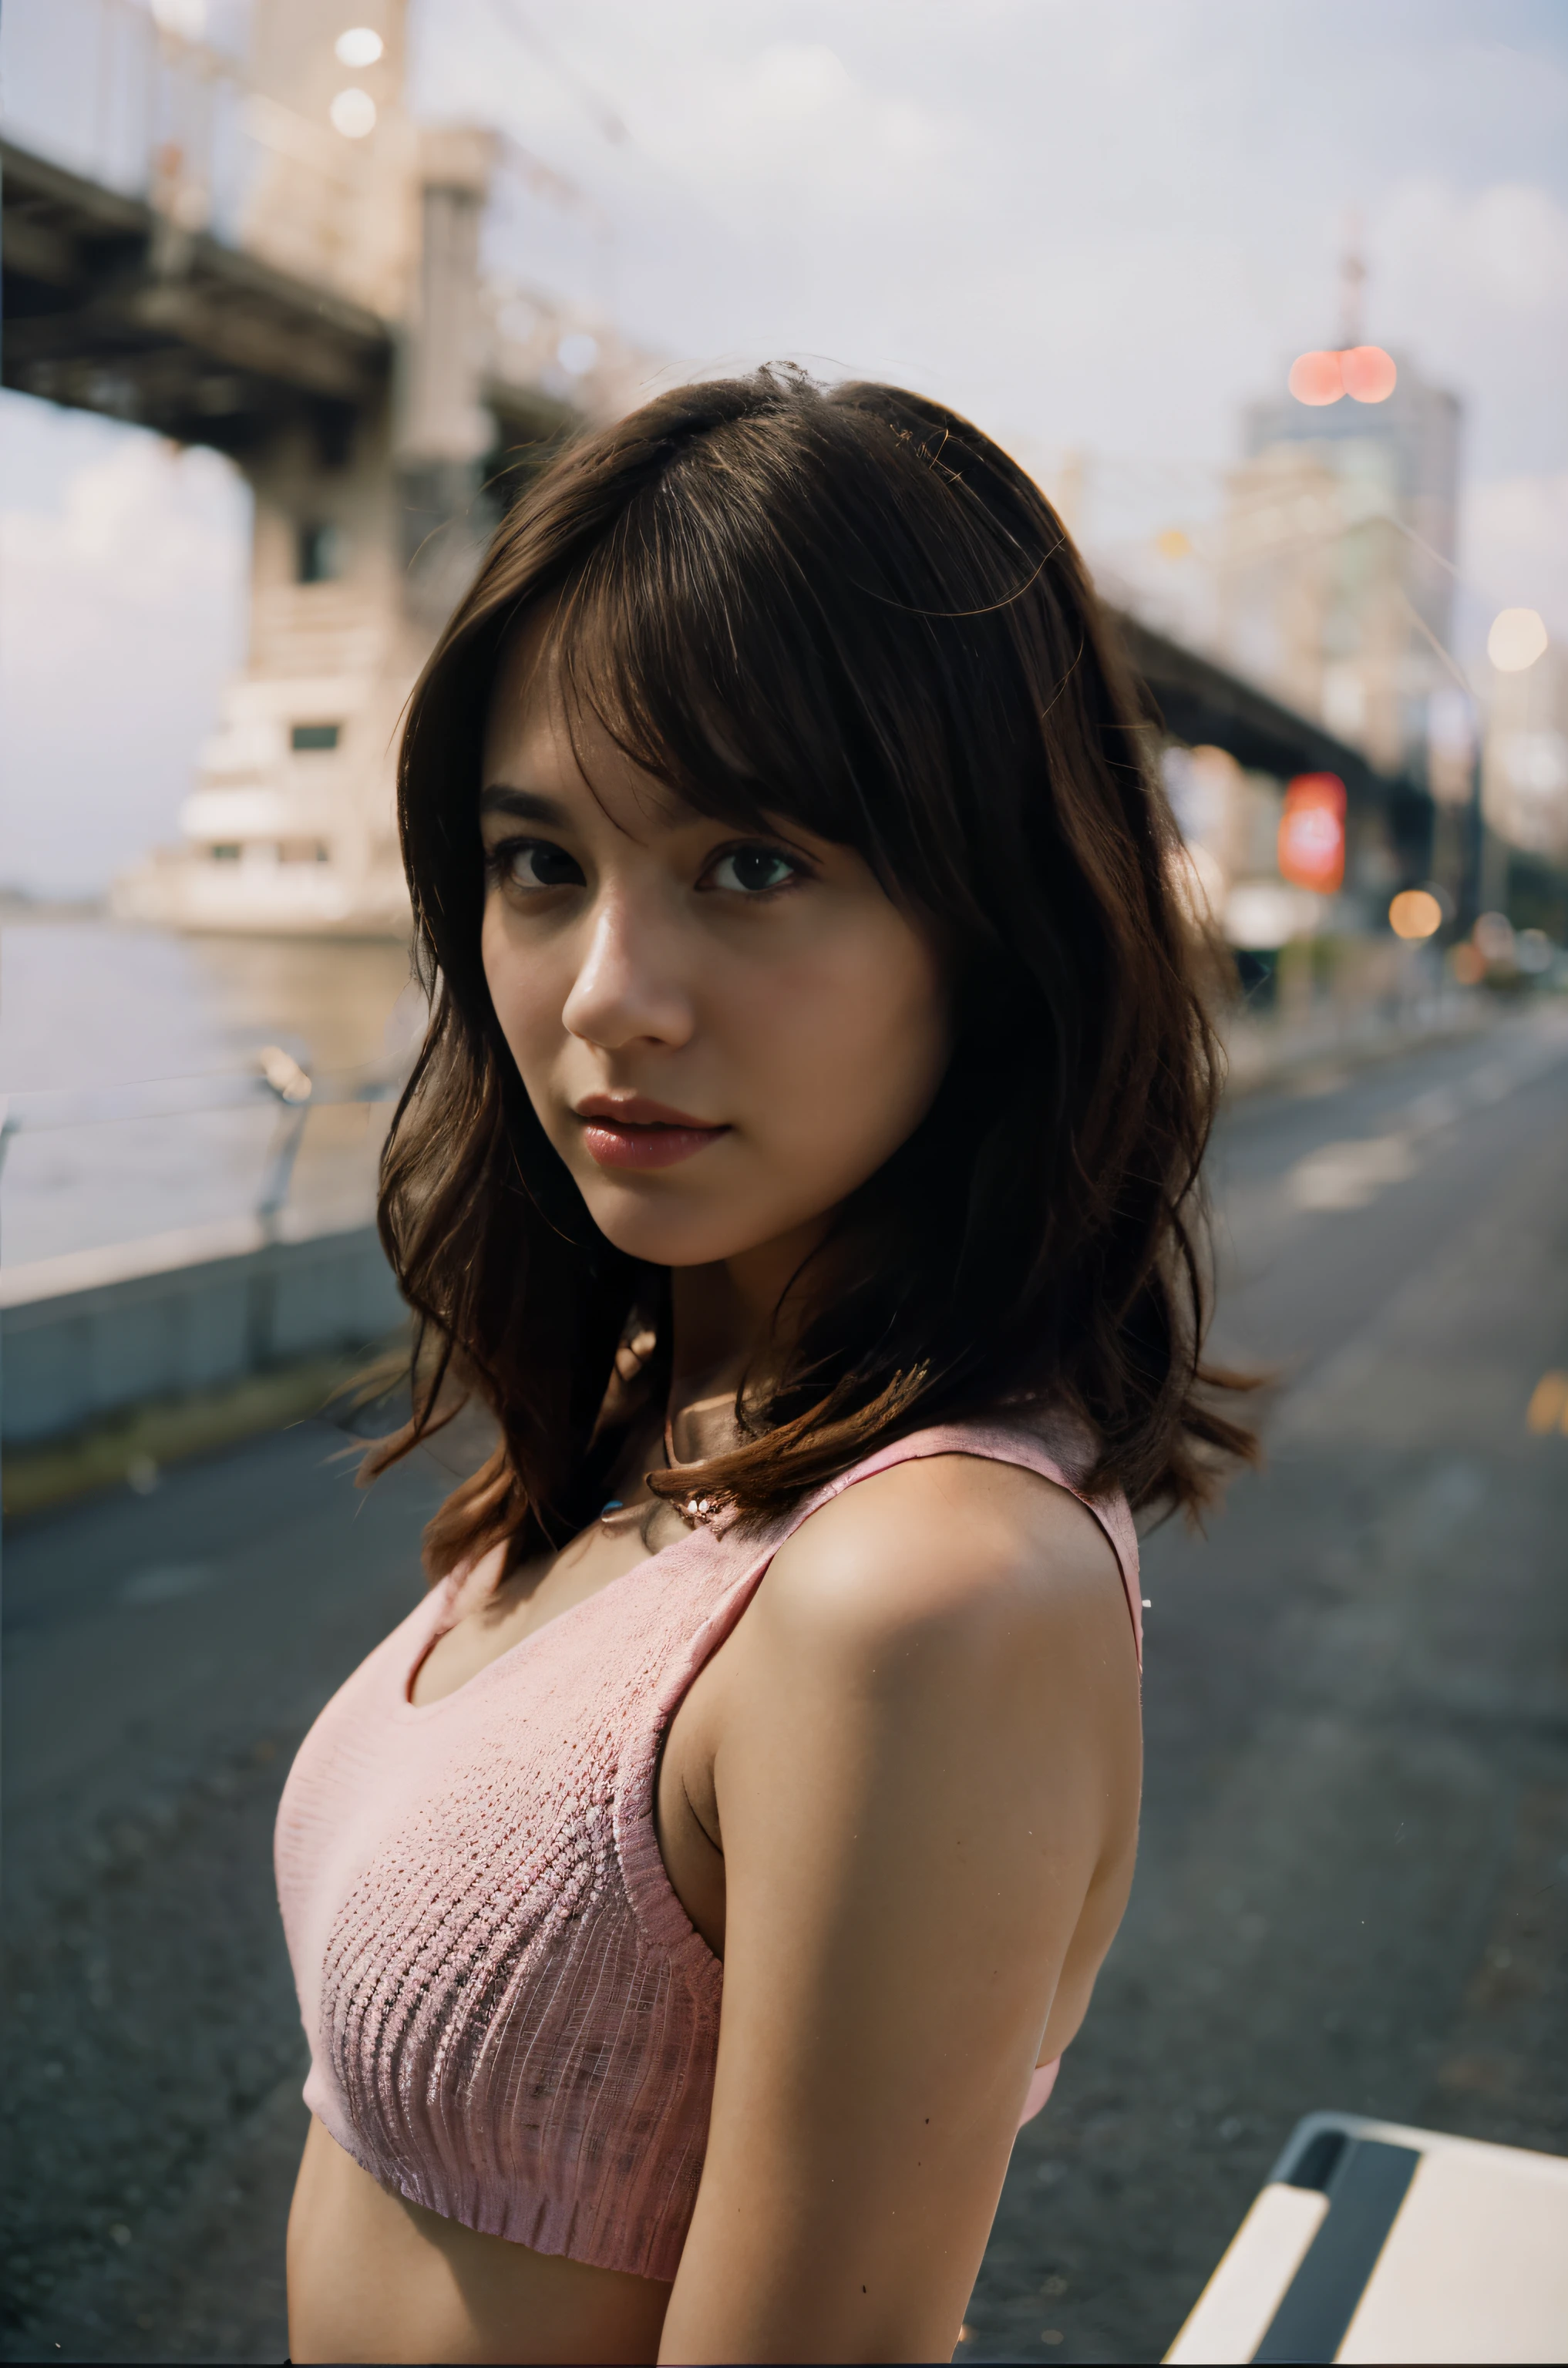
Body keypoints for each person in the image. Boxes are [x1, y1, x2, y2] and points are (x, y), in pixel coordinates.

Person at [275, 367, 1253, 2366]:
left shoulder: (928, 1593)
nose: (607, 998)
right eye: (541, 864)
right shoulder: (675, 1402)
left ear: (993, 925)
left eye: (748, 866)